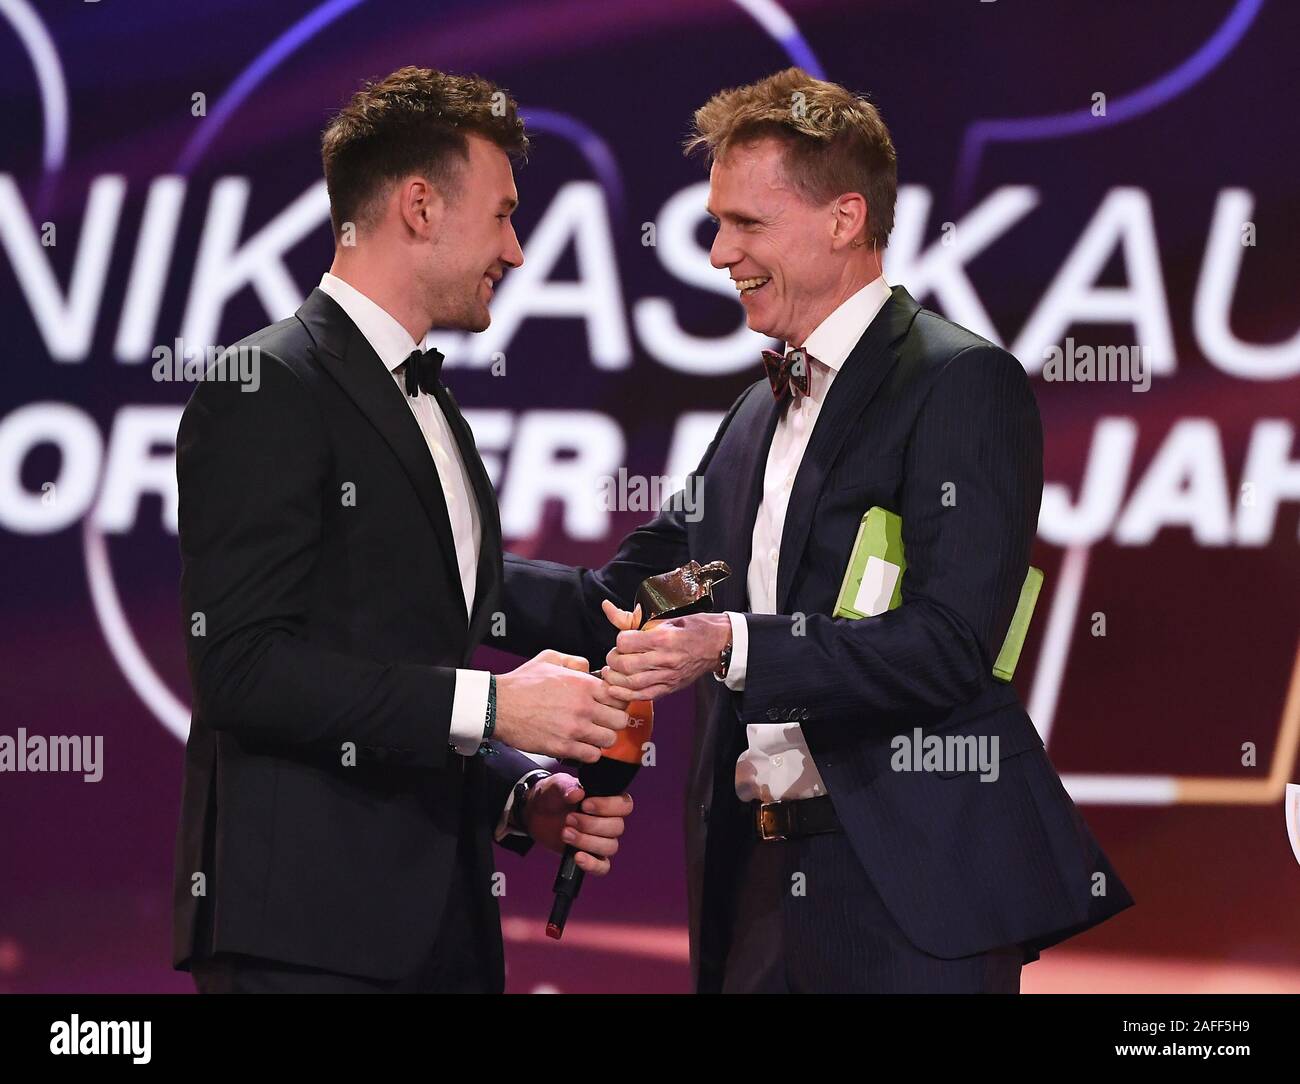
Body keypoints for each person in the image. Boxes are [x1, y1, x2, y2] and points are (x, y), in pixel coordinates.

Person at [498, 68, 1133, 993]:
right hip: (753, 889)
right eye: (716, 223)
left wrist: (730, 643)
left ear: (843, 219)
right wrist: (441, 561)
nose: (718, 253)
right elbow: (620, 602)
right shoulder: (753, 416)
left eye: (745, 224)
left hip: (907, 892)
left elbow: (952, 646)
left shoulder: (959, 384)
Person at [172, 66, 633, 994]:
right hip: (304, 941)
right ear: (420, 206)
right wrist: (500, 706)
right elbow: (243, 669)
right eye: (502, 214)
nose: (517, 246)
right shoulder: (266, 387)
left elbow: (407, 633)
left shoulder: (426, 397)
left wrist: (516, 791)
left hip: (444, 938)